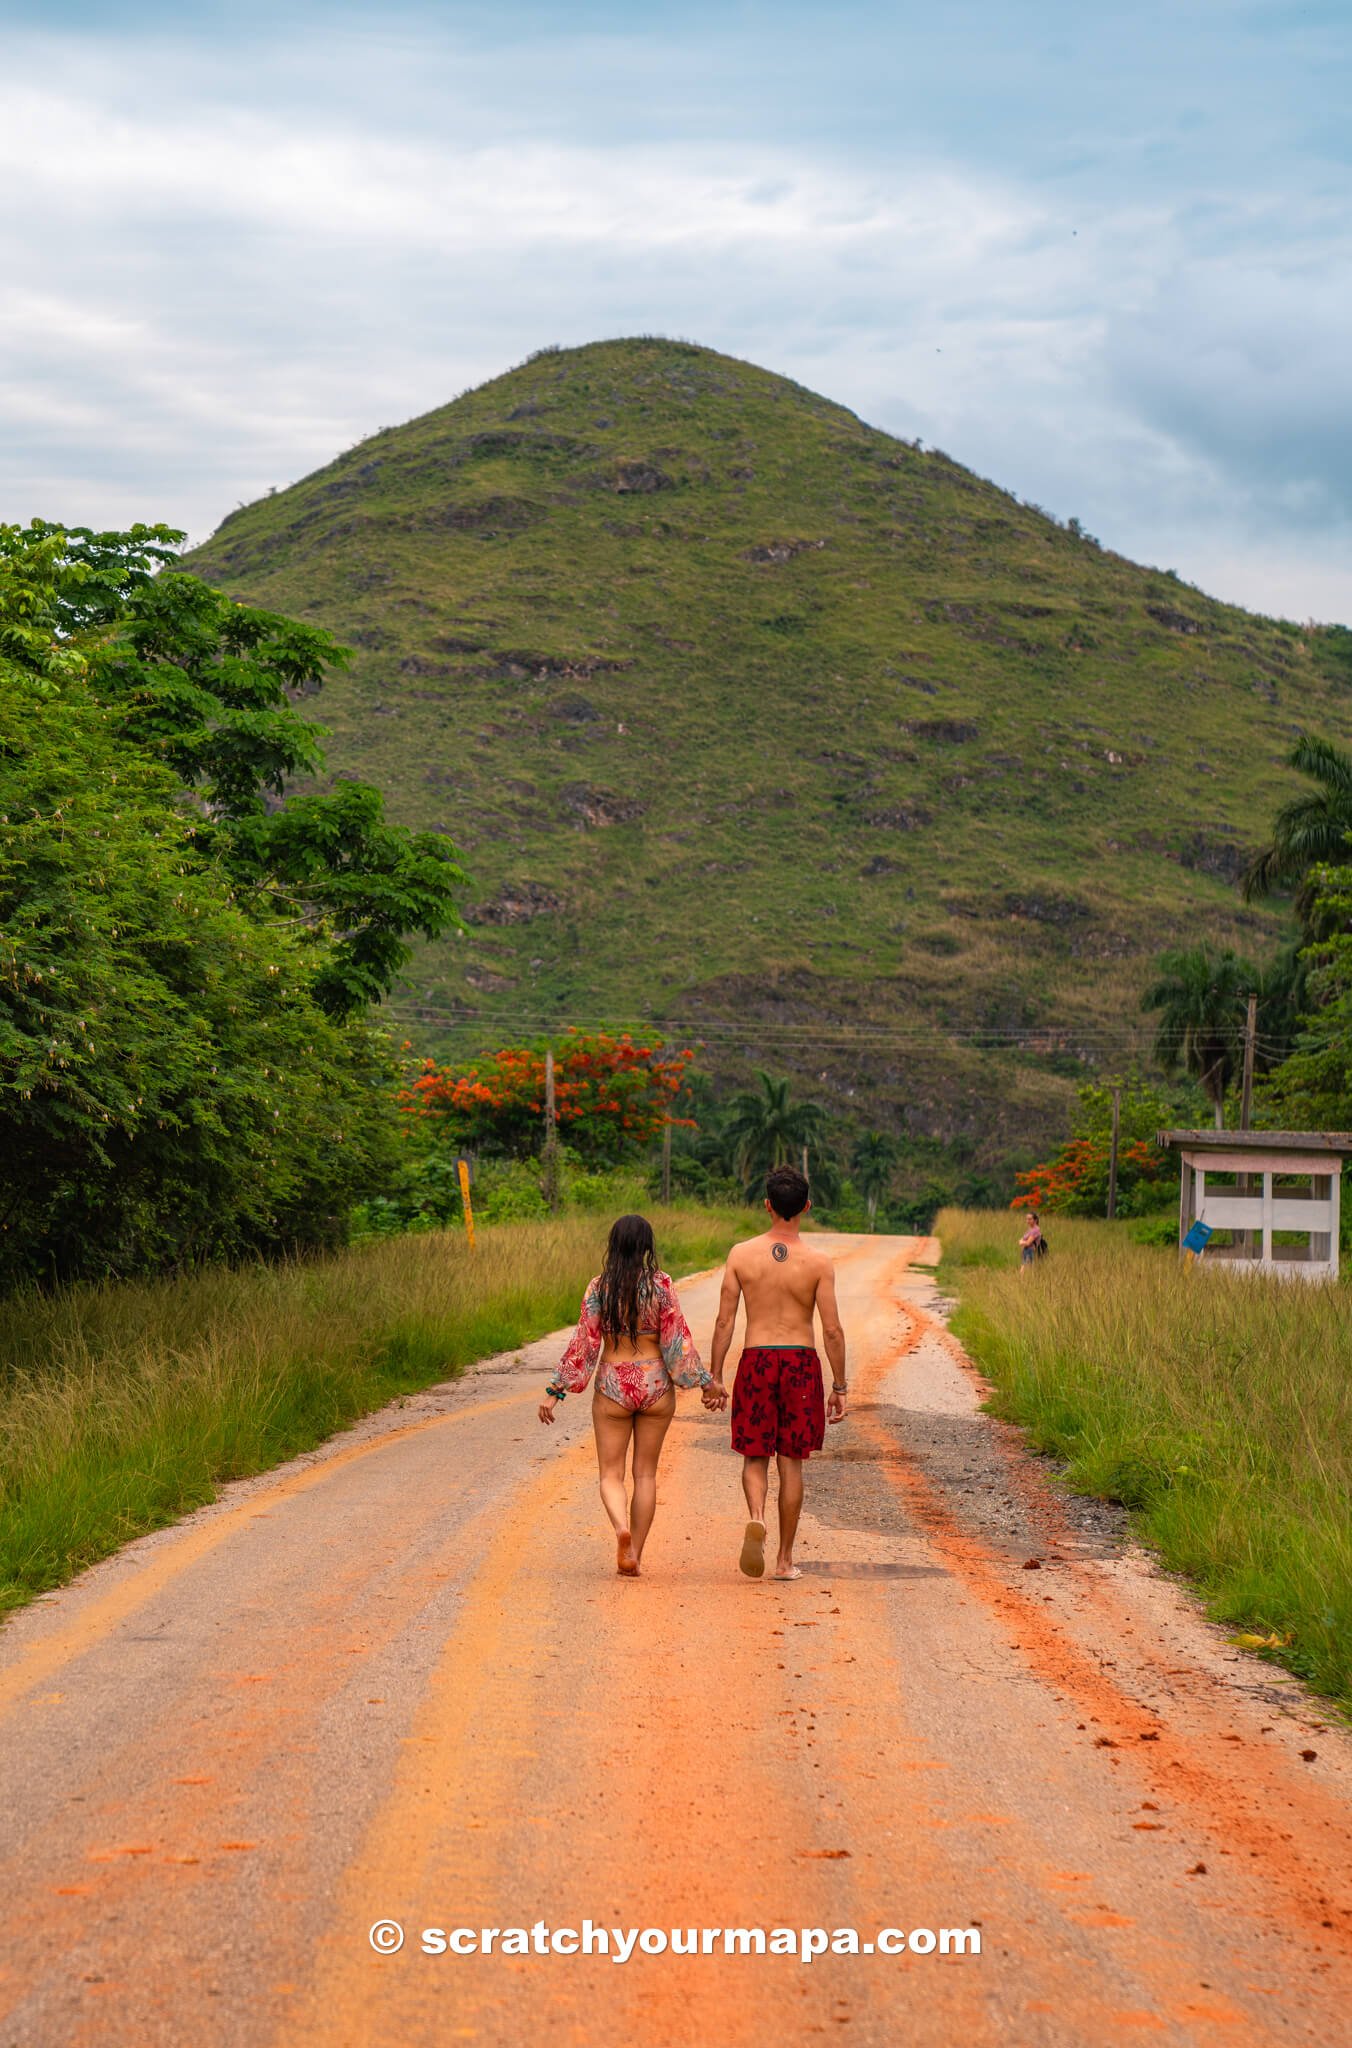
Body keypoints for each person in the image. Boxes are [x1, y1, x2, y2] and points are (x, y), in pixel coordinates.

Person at [538, 1213, 722, 1576]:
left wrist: (555, 1391)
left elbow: (585, 1343)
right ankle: (635, 1549)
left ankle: (620, 1527)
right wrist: (706, 1382)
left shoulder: (598, 1287)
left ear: (614, 1245)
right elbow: (676, 1344)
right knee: (646, 1476)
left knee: (610, 1473)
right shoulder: (662, 1285)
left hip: (612, 1384)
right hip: (655, 1384)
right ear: (647, 1247)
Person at [702, 1165, 846, 1582]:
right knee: (792, 1462)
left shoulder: (741, 1254)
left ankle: (756, 1517)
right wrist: (839, 1385)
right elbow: (832, 1329)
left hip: (757, 1359)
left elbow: (724, 1322)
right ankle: (784, 1561)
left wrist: (715, 1376)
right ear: (806, 1206)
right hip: (800, 1361)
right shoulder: (818, 1261)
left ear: (767, 1205)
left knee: (755, 1455)